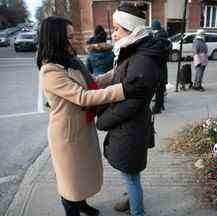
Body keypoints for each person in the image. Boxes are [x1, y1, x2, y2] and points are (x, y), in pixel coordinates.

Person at [37, 16, 145, 216]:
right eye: (69, 37)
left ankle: (82, 204)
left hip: (82, 128)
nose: (73, 40)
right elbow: (82, 96)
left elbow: (91, 82)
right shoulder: (50, 70)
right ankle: (73, 210)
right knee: (70, 179)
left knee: (82, 174)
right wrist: (122, 90)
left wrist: (115, 74)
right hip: (66, 135)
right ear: (55, 38)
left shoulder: (71, 60)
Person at [96, 3, 170, 216]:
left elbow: (132, 100)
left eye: (117, 28)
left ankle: (137, 211)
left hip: (131, 128)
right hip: (128, 127)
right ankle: (130, 200)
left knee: (131, 175)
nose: (113, 34)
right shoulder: (134, 49)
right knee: (129, 172)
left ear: (130, 28)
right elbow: (121, 81)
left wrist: (103, 120)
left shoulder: (142, 58)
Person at [151, 19, 170, 114]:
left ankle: (157, 108)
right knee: (161, 87)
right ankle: (161, 104)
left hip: (158, 66)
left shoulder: (158, 40)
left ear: (155, 29)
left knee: (159, 87)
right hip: (163, 66)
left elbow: (156, 54)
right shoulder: (164, 38)